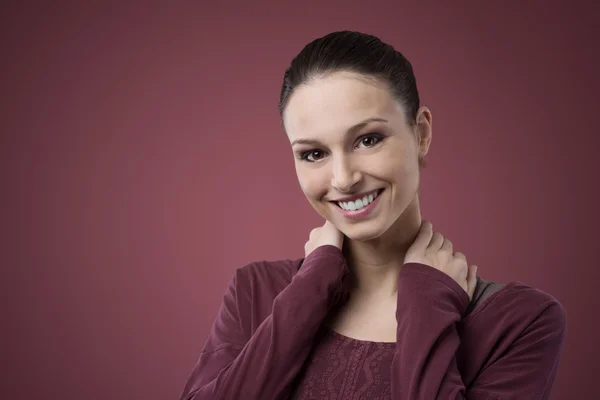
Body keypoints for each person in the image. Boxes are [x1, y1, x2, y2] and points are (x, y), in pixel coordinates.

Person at [179, 31, 566, 400]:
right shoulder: (256, 292)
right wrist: (311, 287)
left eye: (368, 140)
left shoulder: (518, 322)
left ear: (421, 134)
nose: (344, 179)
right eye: (314, 153)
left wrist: (426, 301)